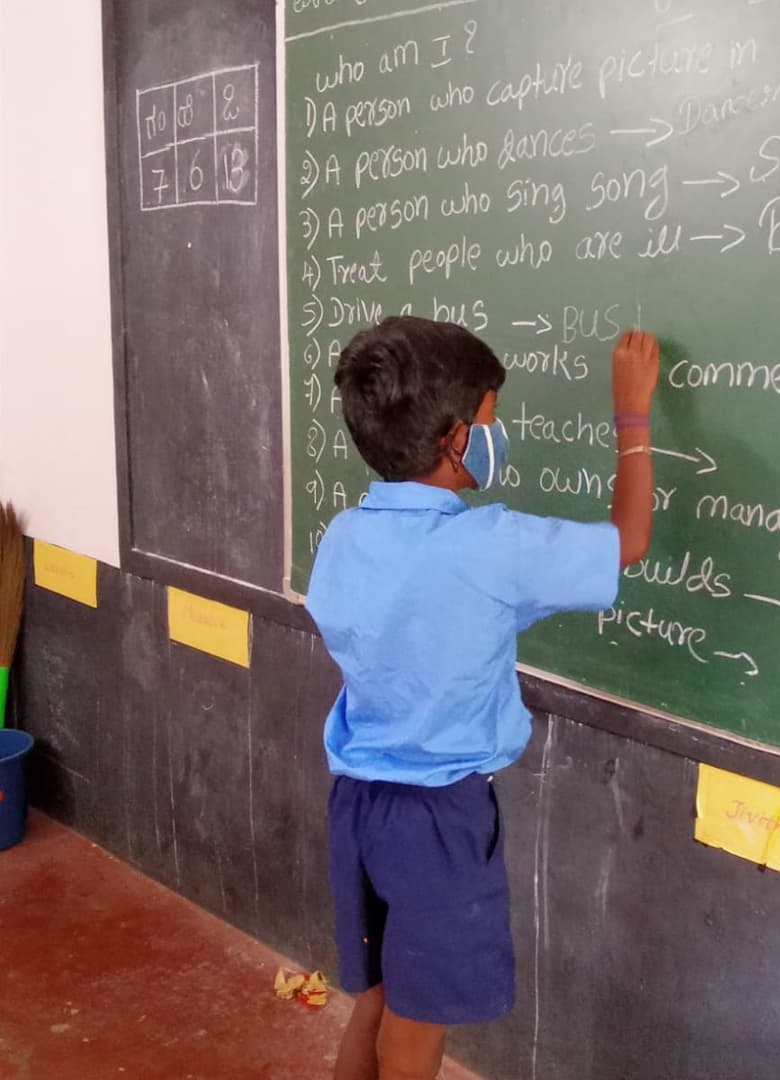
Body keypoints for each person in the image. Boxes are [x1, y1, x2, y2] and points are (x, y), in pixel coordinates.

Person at [306, 316, 659, 1080]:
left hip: (358, 807)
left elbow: (443, 612)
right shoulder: (490, 547)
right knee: (416, 1023)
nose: (501, 434)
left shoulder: (342, 537)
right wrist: (632, 415)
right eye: (494, 419)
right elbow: (626, 540)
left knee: (375, 998)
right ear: (457, 440)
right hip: (440, 820)